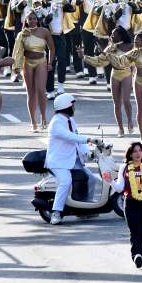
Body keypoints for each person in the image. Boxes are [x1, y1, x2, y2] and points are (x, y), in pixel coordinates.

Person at [106, 142, 142, 269]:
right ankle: (136, 255)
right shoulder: (125, 167)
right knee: (135, 229)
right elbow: (120, 188)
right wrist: (111, 181)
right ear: (130, 154)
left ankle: (141, 255)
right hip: (131, 203)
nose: (138, 153)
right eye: (135, 151)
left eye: (140, 151)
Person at [45, 93, 98, 225]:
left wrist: (88, 153)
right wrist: (89, 139)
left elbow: (77, 140)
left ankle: (84, 208)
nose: (74, 108)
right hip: (58, 162)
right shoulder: (56, 123)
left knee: (92, 179)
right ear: (66, 106)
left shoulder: (70, 121)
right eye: (72, 105)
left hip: (72, 160)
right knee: (66, 182)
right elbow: (70, 137)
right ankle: (56, 213)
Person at [13, 11, 54, 132]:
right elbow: (17, 51)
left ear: (37, 20)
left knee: (41, 90)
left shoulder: (44, 31)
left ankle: (43, 118)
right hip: (28, 62)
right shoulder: (22, 34)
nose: (32, 21)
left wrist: (50, 63)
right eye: (29, 19)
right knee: (30, 92)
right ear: (25, 20)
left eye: (34, 18)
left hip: (41, 61)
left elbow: (52, 48)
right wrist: (17, 67)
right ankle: (33, 122)